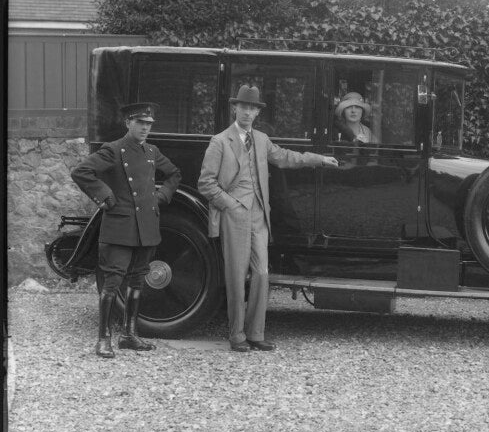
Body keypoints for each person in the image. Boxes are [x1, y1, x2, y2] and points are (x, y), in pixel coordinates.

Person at [198, 85, 339, 353]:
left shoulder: (261, 140)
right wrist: (229, 205)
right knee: (236, 275)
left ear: (257, 112)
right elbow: (205, 183)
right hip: (234, 215)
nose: (248, 112)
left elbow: (286, 157)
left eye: (253, 108)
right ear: (234, 108)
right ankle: (237, 335)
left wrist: (318, 159)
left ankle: (256, 333)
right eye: (244, 107)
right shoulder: (219, 141)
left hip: (259, 216)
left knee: (262, 273)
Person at [71, 102, 181, 358]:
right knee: (112, 283)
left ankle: (129, 335)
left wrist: (162, 196)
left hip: (146, 227)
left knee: (138, 279)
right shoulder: (113, 150)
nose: (145, 128)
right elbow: (81, 172)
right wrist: (105, 195)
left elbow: (174, 174)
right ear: (128, 123)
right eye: (140, 123)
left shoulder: (152, 151)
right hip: (120, 228)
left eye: (149, 124)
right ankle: (103, 339)